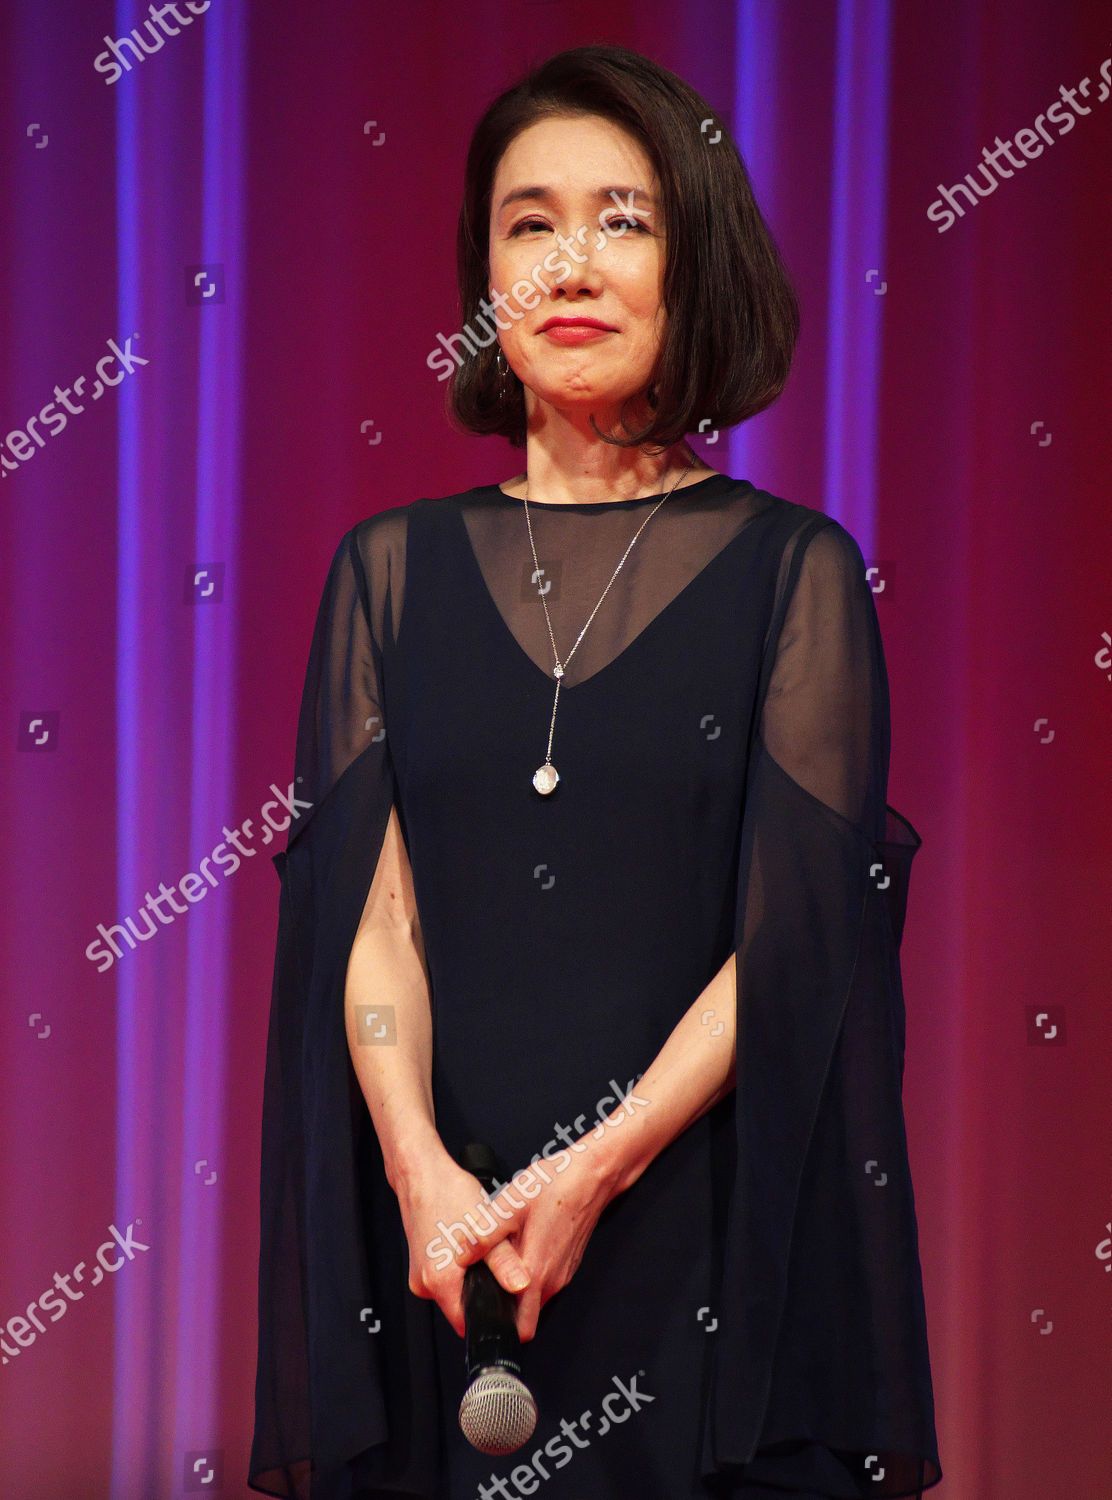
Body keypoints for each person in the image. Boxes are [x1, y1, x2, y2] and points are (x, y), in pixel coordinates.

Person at [249, 42, 942, 1500]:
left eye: (623, 220)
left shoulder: (791, 569)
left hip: (696, 1228)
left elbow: (801, 933)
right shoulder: (387, 568)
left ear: (701, 267)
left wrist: (594, 1171)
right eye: (529, 223)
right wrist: (424, 1176)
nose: (570, 262)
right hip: (443, 1250)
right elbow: (374, 924)